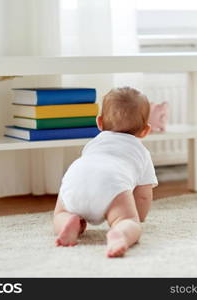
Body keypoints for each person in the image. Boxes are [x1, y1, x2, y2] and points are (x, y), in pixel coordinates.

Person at [53, 87, 158, 257]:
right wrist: (136, 216)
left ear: (99, 122)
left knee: (61, 212)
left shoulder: (93, 144)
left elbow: (90, 173)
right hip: (112, 182)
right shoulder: (141, 152)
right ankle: (120, 232)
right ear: (145, 130)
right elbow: (143, 195)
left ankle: (69, 221)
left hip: (76, 175)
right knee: (128, 221)